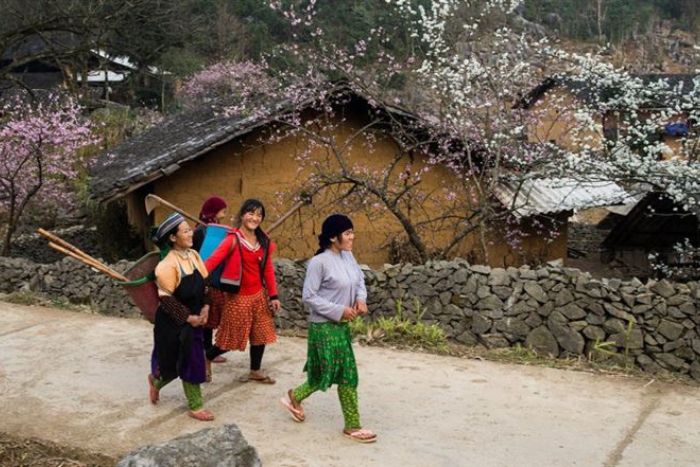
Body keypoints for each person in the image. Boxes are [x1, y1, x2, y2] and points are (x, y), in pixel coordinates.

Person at [279, 214, 377, 443]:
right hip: (323, 327)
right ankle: (352, 426)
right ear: (333, 237)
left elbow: (359, 281)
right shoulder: (319, 263)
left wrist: (361, 299)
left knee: (328, 372)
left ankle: (295, 396)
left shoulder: (348, 256)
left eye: (352, 232)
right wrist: (339, 310)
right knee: (345, 373)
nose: (352, 237)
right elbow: (309, 296)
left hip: (341, 327)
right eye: (347, 233)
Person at [204, 199, 281, 384]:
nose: (255, 218)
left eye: (259, 215)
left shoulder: (263, 241)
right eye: (251, 213)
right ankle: (206, 357)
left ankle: (255, 370)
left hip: (259, 296)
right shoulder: (232, 239)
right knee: (230, 339)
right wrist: (194, 276)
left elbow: (268, 270)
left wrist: (273, 295)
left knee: (260, 334)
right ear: (242, 215)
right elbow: (212, 261)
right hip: (238, 298)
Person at [147, 212, 215, 421]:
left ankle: (156, 382)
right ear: (173, 238)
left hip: (194, 318)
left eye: (189, 229)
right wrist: (188, 318)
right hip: (173, 322)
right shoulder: (167, 265)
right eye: (185, 231)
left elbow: (206, 284)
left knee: (189, 360)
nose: (190, 233)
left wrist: (206, 308)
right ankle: (195, 406)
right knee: (179, 362)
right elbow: (165, 299)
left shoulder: (194, 256)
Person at [192, 196, 228, 368]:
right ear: (214, 211)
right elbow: (199, 255)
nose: (225, 214)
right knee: (207, 318)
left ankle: (209, 350)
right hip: (205, 279)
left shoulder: (215, 230)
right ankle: (207, 351)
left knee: (212, 316)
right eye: (222, 210)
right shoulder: (201, 231)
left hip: (216, 279)